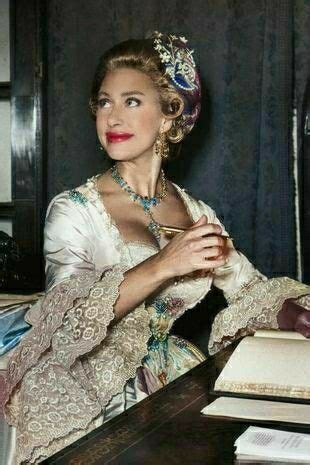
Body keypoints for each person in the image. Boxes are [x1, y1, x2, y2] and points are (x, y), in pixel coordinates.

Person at [3, 32, 310, 464]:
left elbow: (248, 286)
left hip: (174, 379)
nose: (112, 117)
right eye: (104, 101)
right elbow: (64, 324)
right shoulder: (75, 211)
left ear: (169, 115)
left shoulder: (195, 210)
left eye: (131, 101)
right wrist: (164, 264)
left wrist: (295, 315)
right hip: (90, 391)